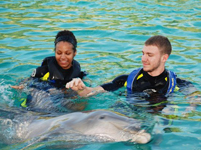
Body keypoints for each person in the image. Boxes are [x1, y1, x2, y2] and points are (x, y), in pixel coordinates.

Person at [66, 35, 197, 113]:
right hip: (130, 115)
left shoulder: (177, 84)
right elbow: (91, 92)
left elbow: (195, 97)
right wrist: (81, 89)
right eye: (143, 53)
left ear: (164, 58)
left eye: (149, 55)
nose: (143, 59)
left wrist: (191, 106)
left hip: (159, 117)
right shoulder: (128, 80)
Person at [11, 30, 87, 111]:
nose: (63, 57)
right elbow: (29, 81)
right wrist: (23, 85)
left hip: (62, 98)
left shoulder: (79, 74)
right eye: (59, 53)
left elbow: (86, 90)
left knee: (79, 109)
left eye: (67, 53)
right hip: (43, 95)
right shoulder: (44, 71)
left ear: (74, 53)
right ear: (55, 51)